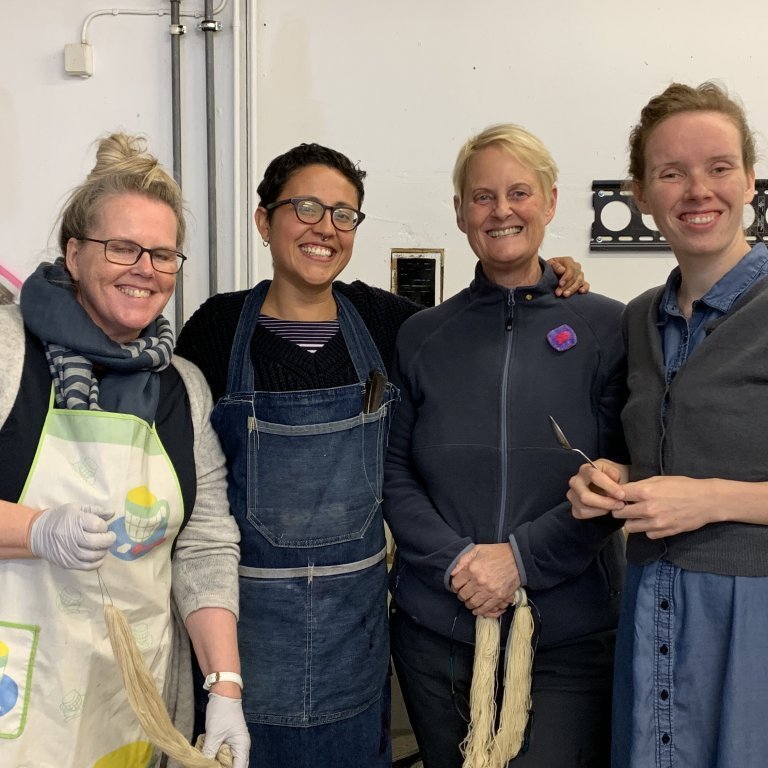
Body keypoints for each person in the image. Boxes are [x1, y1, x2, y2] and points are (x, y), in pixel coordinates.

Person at [174, 140, 588, 767]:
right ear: (264, 220)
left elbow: (479, 323)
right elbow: (190, 484)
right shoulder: (216, 328)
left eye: (344, 214)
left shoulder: (389, 322)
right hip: (242, 631)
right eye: (307, 207)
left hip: (355, 631)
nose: (326, 229)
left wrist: (549, 277)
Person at [0, 133, 249, 768]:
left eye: (164, 255)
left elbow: (205, 542)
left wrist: (224, 686)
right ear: (74, 252)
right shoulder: (7, 354)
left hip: (132, 704)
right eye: (123, 248)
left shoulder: (182, 387)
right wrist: (36, 530)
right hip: (16, 697)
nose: (146, 268)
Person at [384, 123, 628, 768]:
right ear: (461, 210)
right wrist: (462, 563)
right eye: (482, 196)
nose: (501, 210)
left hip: (565, 640)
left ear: (550, 202)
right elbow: (394, 473)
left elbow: (618, 477)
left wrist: (519, 559)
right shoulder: (421, 335)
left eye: (519, 192)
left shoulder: (608, 327)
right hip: (438, 630)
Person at [567, 81, 768, 768]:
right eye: (671, 172)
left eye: (718, 167)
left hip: (753, 628)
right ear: (642, 194)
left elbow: (697, 485)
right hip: (653, 612)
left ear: (748, 179)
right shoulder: (640, 317)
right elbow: (658, 456)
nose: (696, 189)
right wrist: (616, 480)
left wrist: (710, 499)